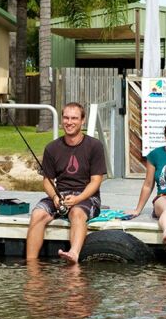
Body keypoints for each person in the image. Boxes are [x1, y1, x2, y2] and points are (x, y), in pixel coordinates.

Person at [25, 102, 106, 263]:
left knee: (76, 212)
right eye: (66, 118)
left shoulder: (95, 146)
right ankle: (31, 264)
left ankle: (73, 254)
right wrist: (55, 197)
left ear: (82, 121)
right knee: (38, 213)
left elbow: (96, 181)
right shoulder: (52, 148)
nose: (69, 122)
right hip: (60, 194)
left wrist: (78, 199)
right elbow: (47, 181)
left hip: (86, 196)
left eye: (74, 118)